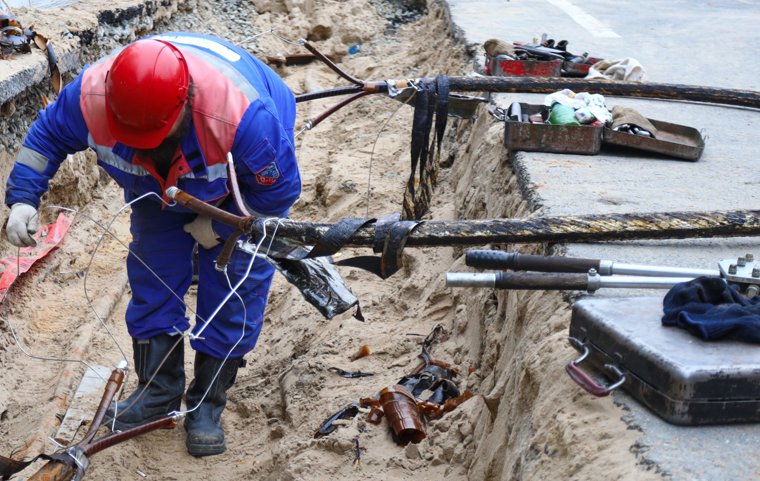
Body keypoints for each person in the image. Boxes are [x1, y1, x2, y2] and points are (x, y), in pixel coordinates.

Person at [4, 32, 301, 457]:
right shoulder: (89, 97)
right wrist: (22, 198)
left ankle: (206, 403)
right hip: (156, 188)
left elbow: (278, 193)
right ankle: (158, 392)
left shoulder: (245, 118)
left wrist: (222, 230)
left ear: (185, 104)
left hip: (239, 192)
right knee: (153, 275)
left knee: (235, 285)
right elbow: (45, 139)